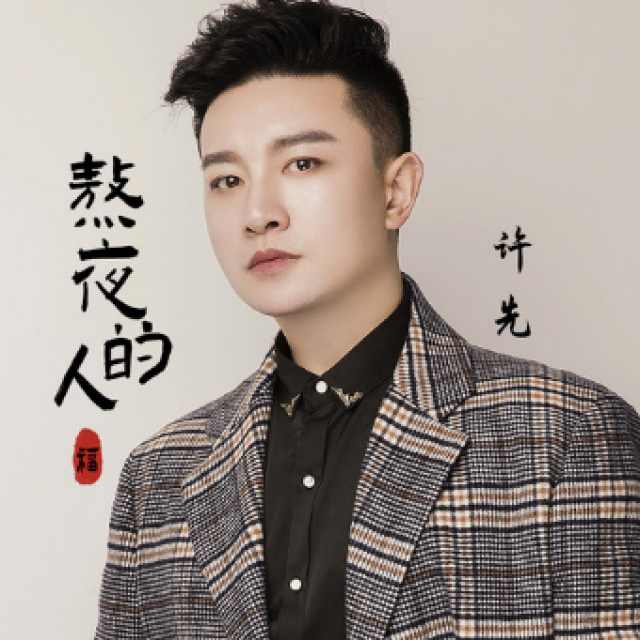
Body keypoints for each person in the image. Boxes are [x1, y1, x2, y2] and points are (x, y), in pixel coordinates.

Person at [95, 1, 640, 637]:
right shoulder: (157, 476)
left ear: (396, 191)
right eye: (226, 179)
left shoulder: (567, 437)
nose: (258, 213)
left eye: (302, 163)